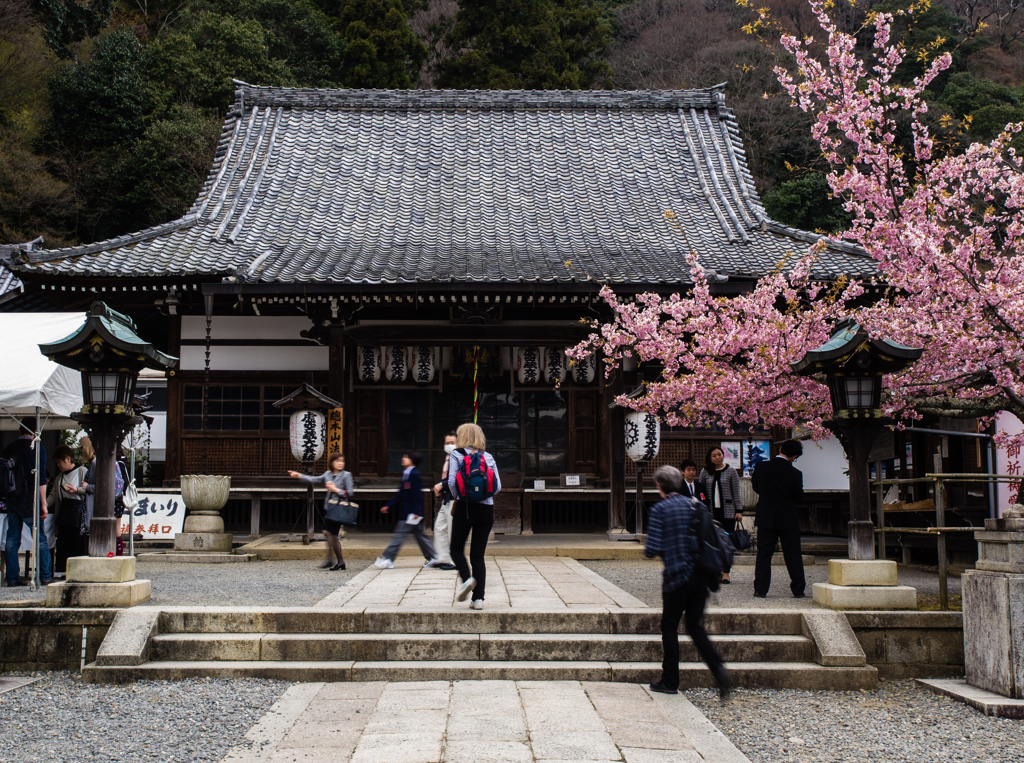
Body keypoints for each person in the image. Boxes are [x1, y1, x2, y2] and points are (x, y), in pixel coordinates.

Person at [644, 465, 731, 698]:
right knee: (694, 625)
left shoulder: (660, 509)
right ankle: (718, 668)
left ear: (659, 486)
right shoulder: (697, 505)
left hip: (675, 577)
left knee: (670, 627)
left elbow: (651, 549)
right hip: (701, 575)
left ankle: (670, 680)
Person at [446, 422, 502, 610]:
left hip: (465, 507)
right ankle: (478, 600)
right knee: (478, 556)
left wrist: (459, 496)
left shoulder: (457, 454)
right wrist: (483, 496)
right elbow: (498, 486)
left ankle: (467, 578)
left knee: (456, 549)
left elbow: (452, 481)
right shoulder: (488, 456)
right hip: (486, 510)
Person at [752, 439, 806, 598]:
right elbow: (798, 497)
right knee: (793, 554)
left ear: (780, 448)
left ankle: (760, 589)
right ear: (794, 456)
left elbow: (756, 487)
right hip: (787, 517)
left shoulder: (761, 467)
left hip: (766, 515)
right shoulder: (795, 474)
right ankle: (798, 589)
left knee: (763, 554)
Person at [3, 417, 51, 586]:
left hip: (12, 498)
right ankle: (45, 575)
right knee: (40, 539)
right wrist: (43, 504)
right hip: (31, 499)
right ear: (36, 431)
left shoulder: (9, 448)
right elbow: (41, 478)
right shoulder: (38, 449)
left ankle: (12, 578)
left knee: (12, 539)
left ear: (19, 429)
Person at [289, 452, 352, 571]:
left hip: (339, 508)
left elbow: (350, 492)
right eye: (338, 461)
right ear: (332, 463)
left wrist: (335, 489)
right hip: (329, 507)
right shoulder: (328, 474)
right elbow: (314, 479)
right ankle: (338, 561)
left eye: (342, 461)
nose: (340, 463)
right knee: (330, 533)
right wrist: (299, 476)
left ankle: (332, 559)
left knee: (328, 532)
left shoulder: (346, 475)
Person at [375, 450, 438, 570]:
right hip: (410, 512)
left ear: (412, 460)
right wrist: (389, 505)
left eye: (406, 457)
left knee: (399, 535)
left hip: (411, 513)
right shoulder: (407, 473)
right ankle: (433, 558)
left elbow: (417, 495)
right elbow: (401, 494)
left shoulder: (413, 474)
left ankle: (388, 558)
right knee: (420, 536)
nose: (403, 459)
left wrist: (417, 512)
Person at [698, 446, 741, 584]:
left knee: (727, 543)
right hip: (710, 512)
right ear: (710, 458)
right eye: (714, 455)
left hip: (728, 512)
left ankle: (726, 573)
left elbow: (736, 492)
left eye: (719, 454)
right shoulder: (705, 472)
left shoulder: (731, 471)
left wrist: (739, 510)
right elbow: (701, 491)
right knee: (712, 542)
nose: (717, 457)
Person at [49, 445, 88, 573]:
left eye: (59, 462)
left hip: (78, 512)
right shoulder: (59, 478)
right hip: (64, 513)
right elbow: (53, 496)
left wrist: (77, 490)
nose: (58, 465)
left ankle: (77, 570)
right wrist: (41, 505)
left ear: (67, 459)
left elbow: (91, 490)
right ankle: (62, 570)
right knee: (63, 543)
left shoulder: (82, 471)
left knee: (77, 543)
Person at [426, 431, 459, 570]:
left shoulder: (459, 458)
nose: (450, 445)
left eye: (453, 443)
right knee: (439, 528)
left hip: (455, 498)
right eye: (447, 443)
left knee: (452, 530)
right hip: (447, 498)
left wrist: (441, 485)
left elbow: (457, 479)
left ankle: (455, 560)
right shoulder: (448, 458)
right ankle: (441, 558)